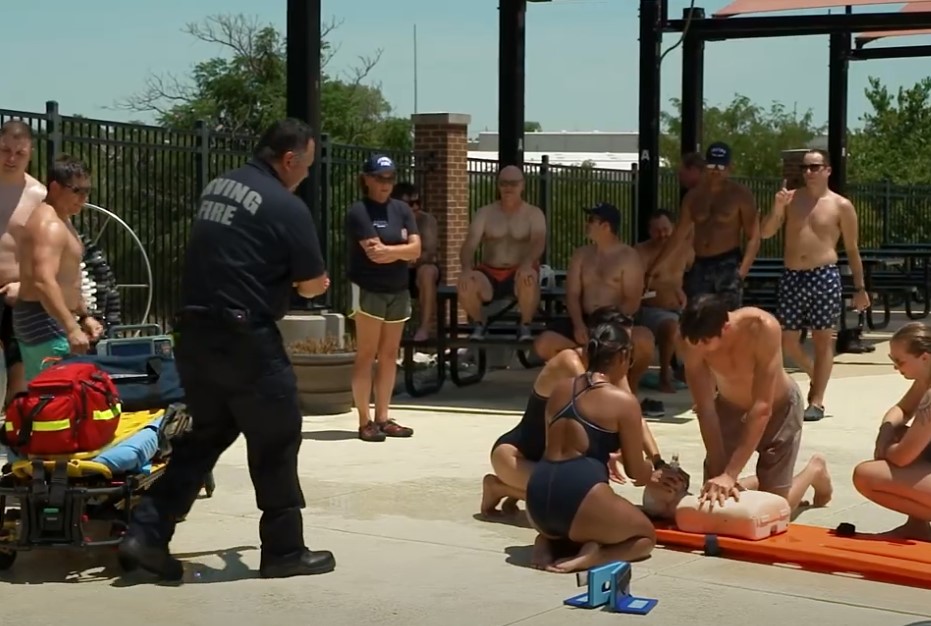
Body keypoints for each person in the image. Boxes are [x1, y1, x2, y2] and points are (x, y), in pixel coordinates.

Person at [120, 118, 334, 581]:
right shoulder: (286, 205)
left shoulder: (220, 186)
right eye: (307, 166)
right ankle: (284, 552)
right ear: (290, 159)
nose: (307, 175)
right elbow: (313, 284)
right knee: (276, 438)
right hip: (245, 338)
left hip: (194, 333)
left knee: (205, 437)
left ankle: (146, 534)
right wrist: (314, 282)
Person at [525, 316, 679, 573]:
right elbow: (635, 473)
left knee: (580, 521)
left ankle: (548, 540)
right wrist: (655, 473)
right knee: (644, 539)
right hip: (579, 494)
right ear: (622, 357)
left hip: (536, 498)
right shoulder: (623, 402)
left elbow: (563, 445)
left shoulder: (560, 389)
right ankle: (594, 557)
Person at [482, 307, 669, 518]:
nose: (626, 354)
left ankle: (519, 490)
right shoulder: (570, 362)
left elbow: (634, 418)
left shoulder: (612, 366)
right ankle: (499, 487)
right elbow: (598, 407)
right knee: (571, 495)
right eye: (621, 345)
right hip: (514, 455)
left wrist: (658, 461)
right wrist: (621, 453)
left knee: (576, 489)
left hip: (550, 459)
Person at [761, 150, 870, 422]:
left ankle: (817, 400)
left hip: (824, 275)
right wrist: (777, 209)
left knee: (824, 339)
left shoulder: (841, 205)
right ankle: (815, 374)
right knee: (787, 339)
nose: (809, 172)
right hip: (792, 275)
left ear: (827, 170)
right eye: (805, 167)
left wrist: (860, 287)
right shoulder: (790, 199)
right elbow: (765, 232)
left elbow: (853, 249)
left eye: (815, 167)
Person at [677, 294, 806, 507]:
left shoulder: (762, 328)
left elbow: (762, 407)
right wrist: (721, 473)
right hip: (729, 407)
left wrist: (730, 474)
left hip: (779, 407)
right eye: (694, 342)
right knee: (716, 499)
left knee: (776, 505)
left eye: (706, 342)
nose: (698, 348)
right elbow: (706, 408)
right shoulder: (692, 337)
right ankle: (751, 481)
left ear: (725, 328)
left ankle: (814, 471)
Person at [532, 203, 661, 415]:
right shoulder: (581, 254)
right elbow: (572, 294)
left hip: (616, 321)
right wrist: (578, 324)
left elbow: (632, 300)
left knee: (645, 340)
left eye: (591, 220)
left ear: (606, 226)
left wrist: (611, 327)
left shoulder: (628, 257)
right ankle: (584, 390)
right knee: (543, 344)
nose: (587, 225)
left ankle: (631, 391)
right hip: (585, 320)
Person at [346, 156, 421, 443]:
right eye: (380, 178)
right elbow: (372, 252)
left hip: (398, 289)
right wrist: (402, 250)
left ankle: (383, 417)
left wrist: (393, 251)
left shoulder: (402, 210)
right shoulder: (359, 211)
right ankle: (365, 420)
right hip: (368, 289)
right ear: (366, 178)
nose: (385, 184)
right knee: (367, 354)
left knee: (390, 355)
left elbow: (417, 250)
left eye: (390, 178)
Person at [13, 155, 103, 381]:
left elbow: (69, 277)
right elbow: (43, 281)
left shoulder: (63, 219)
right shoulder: (49, 224)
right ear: (54, 187)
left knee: (66, 396)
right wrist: (72, 328)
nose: (83, 198)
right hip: (42, 319)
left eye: (87, 191)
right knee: (55, 397)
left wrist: (83, 317)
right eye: (77, 190)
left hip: (53, 318)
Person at [648, 142, 761, 311]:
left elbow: (754, 237)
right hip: (700, 263)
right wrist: (655, 268)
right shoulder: (693, 197)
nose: (716, 170)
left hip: (727, 262)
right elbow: (679, 235)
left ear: (730, 167)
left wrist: (741, 273)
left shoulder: (740, 195)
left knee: (726, 320)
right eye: (712, 164)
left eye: (720, 165)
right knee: (696, 318)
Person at [852, 322, 931, 542]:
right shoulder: (926, 377)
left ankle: (917, 526)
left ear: (924, 357)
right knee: (903, 434)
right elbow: (902, 409)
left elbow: (902, 457)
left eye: (900, 361)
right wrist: (886, 432)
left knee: (866, 475)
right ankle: (916, 526)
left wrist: (885, 447)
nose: (896, 367)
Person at [457, 165, 546, 342]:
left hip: (519, 270)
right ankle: (479, 324)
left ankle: (525, 325)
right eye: (504, 183)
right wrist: (466, 269)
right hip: (490, 271)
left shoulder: (533, 214)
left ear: (522, 185)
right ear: (498, 186)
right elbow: (469, 244)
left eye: (513, 183)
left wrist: (528, 264)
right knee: (465, 283)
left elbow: (538, 242)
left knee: (528, 278)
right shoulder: (485, 213)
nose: (508, 188)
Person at [0, 120, 47, 401]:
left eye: (20, 153)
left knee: (20, 374)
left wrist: (26, 284)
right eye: (5, 150)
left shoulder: (39, 196)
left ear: (30, 152)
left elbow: (49, 254)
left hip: (19, 292)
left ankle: (16, 431)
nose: (12, 158)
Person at [635, 209, 693, 393]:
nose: (662, 234)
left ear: (674, 228)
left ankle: (686, 369)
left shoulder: (685, 250)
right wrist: (671, 289)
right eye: (656, 230)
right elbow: (638, 285)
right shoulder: (640, 252)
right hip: (652, 310)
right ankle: (664, 376)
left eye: (666, 229)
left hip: (680, 309)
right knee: (670, 326)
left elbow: (691, 275)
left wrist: (683, 291)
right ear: (649, 231)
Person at [392, 182, 438, 343]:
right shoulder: (389, 221)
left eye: (418, 202)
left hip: (419, 268)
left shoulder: (427, 221)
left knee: (428, 272)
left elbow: (429, 252)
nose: (416, 207)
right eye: (410, 204)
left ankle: (425, 327)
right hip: (396, 268)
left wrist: (410, 257)